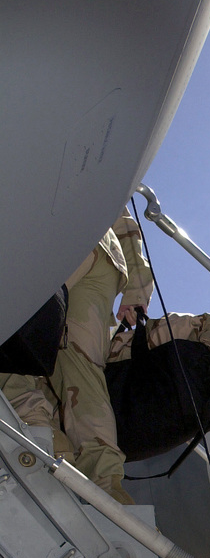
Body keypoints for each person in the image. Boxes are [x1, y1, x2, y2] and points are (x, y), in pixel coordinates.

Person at [0, 209, 153, 504]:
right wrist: (137, 289)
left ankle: (41, 437)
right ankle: (107, 487)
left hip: (56, 234)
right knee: (83, 373)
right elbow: (125, 222)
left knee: (13, 336)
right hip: (104, 253)